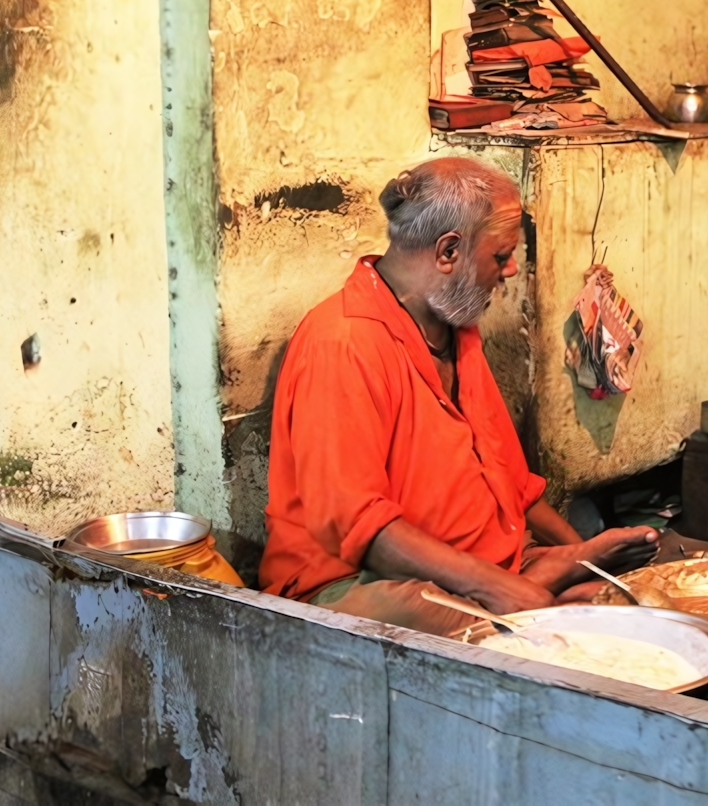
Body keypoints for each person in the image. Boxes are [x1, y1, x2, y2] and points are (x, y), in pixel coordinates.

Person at [260, 157, 658, 634]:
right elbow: (363, 529)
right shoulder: (342, 342)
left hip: (482, 565)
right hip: (359, 585)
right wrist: (499, 588)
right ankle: (531, 593)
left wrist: (588, 562)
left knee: (612, 610)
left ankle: (543, 583)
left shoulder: (454, 330)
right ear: (448, 251)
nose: (510, 269)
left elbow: (511, 484)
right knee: (525, 633)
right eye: (500, 254)